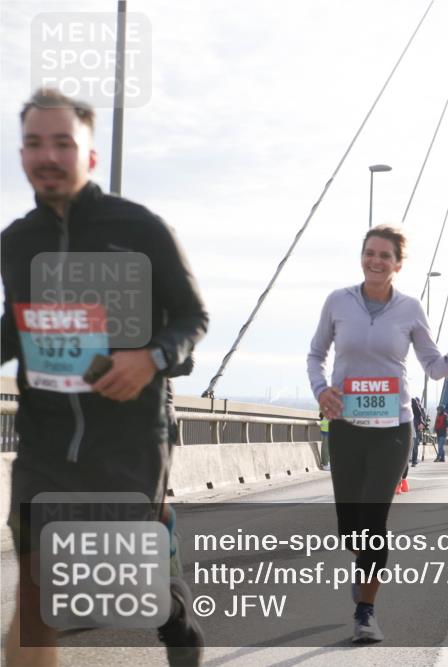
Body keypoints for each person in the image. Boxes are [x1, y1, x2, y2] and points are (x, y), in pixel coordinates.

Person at [2, 88, 209, 667]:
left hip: (126, 441)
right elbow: (17, 327)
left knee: (122, 586)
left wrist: (150, 359)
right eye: (35, 143)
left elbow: (194, 318)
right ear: (21, 155)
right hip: (43, 446)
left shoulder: (141, 229)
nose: (48, 155)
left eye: (63, 143)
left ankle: (175, 617)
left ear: (89, 156)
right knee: (38, 592)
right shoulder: (16, 243)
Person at [308, 224, 448, 643]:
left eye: (385, 255)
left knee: (374, 521)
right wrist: (321, 391)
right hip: (347, 428)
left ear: (398, 264)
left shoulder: (409, 309)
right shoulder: (338, 301)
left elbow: (434, 366)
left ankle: (365, 610)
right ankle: (364, 569)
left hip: (393, 430)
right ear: (362, 256)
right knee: (350, 528)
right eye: (370, 252)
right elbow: (317, 354)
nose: (376, 260)